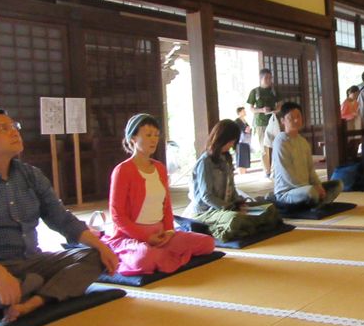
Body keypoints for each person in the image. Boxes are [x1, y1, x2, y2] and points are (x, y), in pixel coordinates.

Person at [0, 108, 118, 322]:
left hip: (32, 260)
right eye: (3, 128)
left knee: (93, 257)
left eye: (14, 126)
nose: (14, 132)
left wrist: (101, 246)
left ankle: (33, 301)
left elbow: (61, 218)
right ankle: (40, 287)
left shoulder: (31, 175)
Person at [105, 114, 214, 275]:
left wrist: (169, 231)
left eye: (156, 135)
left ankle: (162, 256)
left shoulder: (160, 168)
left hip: (161, 235)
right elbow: (117, 216)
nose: (154, 139)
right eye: (148, 135)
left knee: (207, 243)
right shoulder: (122, 170)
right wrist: (146, 237)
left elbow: (166, 205)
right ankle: (141, 255)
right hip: (131, 237)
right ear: (133, 138)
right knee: (146, 258)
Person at [187, 120, 282, 243]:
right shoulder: (205, 162)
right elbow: (207, 197)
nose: (231, 145)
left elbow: (231, 189)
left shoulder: (225, 158)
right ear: (221, 139)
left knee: (269, 209)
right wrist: (231, 207)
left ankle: (247, 227)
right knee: (235, 219)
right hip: (208, 212)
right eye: (230, 141)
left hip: (229, 207)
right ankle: (232, 227)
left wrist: (239, 203)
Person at [272, 102, 343, 207]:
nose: (296, 120)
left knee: (337, 185)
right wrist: (312, 188)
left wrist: (318, 185)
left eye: (298, 116)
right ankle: (318, 203)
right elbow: (287, 174)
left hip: (306, 188)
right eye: (291, 117)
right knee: (311, 192)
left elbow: (311, 170)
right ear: (282, 121)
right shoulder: (280, 142)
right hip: (287, 192)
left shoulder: (303, 142)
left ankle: (317, 202)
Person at [246, 68, 281, 177]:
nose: (269, 80)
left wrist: (275, 110)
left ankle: (276, 169)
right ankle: (267, 171)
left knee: (276, 145)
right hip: (260, 122)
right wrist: (261, 110)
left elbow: (280, 105)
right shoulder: (255, 92)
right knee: (264, 147)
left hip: (273, 121)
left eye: (270, 78)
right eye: (266, 77)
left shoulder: (274, 91)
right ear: (261, 78)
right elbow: (251, 109)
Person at [234, 106, 252, 173]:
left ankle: (244, 171)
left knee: (245, 158)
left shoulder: (244, 121)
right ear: (239, 112)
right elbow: (239, 130)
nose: (245, 112)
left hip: (246, 141)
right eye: (243, 111)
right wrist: (246, 130)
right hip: (240, 142)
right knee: (241, 159)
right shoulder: (237, 121)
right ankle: (241, 173)